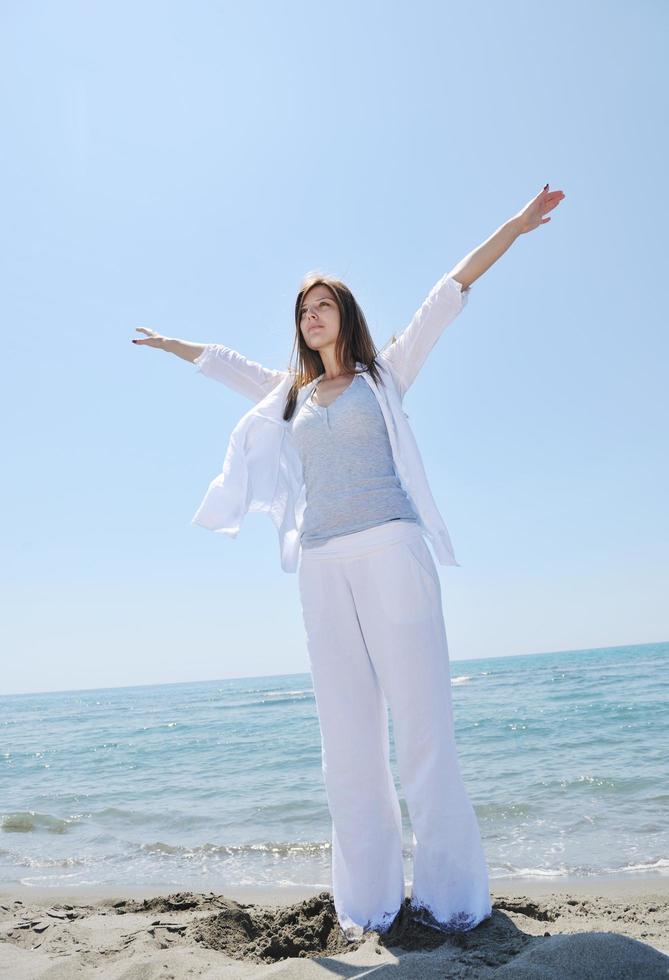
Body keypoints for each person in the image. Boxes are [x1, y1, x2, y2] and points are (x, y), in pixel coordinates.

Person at [132, 183, 566, 940]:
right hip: (322, 567)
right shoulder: (287, 395)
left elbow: (447, 292)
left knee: (423, 726)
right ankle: (368, 902)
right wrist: (173, 345)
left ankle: (450, 898)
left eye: (322, 303)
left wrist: (514, 227)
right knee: (348, 743)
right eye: (302, 308)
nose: (311, 315)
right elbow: (225, 363)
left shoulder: (384, 375)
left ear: (345, 314)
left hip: (392, 550)